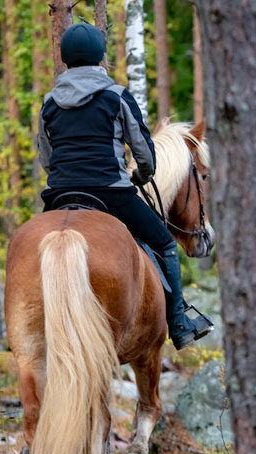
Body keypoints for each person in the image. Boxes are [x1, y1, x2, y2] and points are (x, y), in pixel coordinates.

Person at [36, 23, 212, 350]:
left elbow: (46, 154)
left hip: (60, 194)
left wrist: (65, 176)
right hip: (110, 192)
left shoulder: (49, 102)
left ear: (66, 59)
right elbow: (144, 153)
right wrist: (143, 175)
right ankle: (180, 323)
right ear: (100, 57)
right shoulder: (117, 97)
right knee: (165, 245)